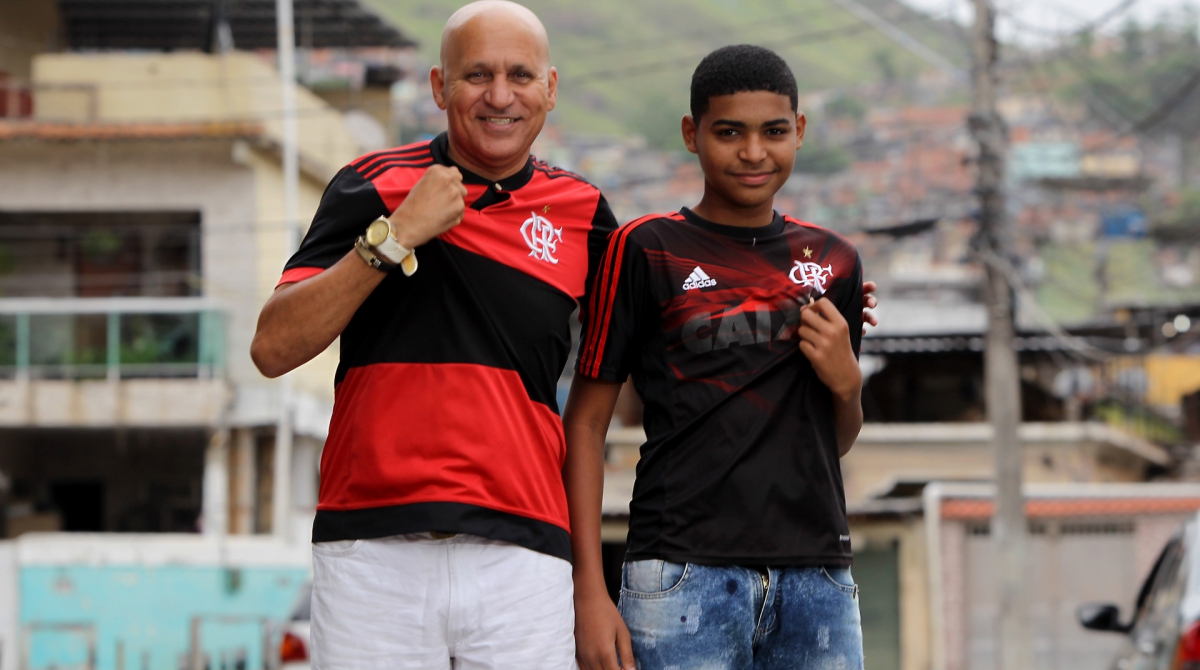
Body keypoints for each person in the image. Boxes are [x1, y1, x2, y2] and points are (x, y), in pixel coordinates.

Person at [251, 2, 619, 667]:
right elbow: (273, 348)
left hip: (524, 553)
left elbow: (628, 379)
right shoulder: (372, 185)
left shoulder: (587, 216)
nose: (500, 96)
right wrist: (393, 238)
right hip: (371, 550)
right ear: (439, 86)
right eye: (477, 74)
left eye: (520, 75)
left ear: (551, 89)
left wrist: (592, 587)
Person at [566, 45, 867, 670]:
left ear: (800, 132)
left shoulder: (835, 261)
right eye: (730, 132)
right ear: (692, 134)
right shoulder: (645, 249)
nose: (754, 152)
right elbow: (587, 424)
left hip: (819, 580)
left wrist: (848, 384)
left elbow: (832, 440)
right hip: (680, 576)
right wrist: (588, 591)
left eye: (774, 131)